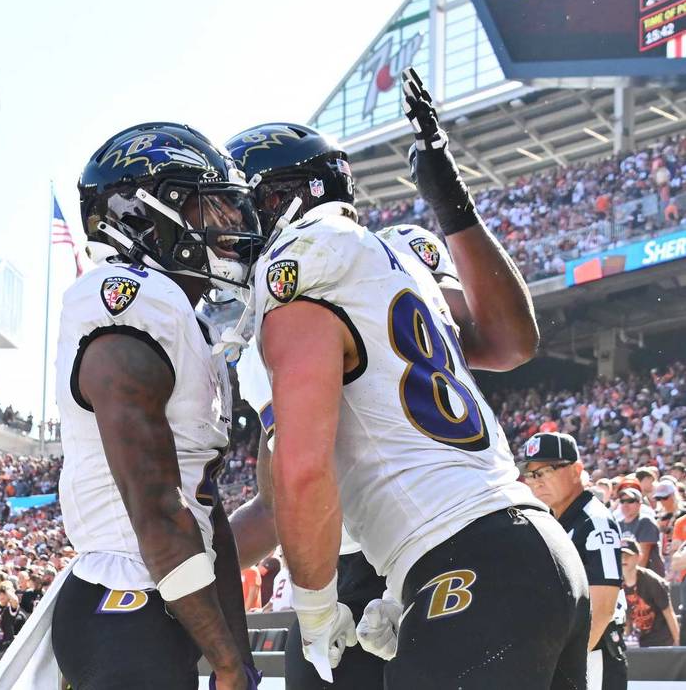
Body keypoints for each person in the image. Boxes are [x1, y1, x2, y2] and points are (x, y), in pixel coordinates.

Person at [232, 68, 588, 688]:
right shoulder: (394, 256)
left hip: (456, 555)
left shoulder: (302, 272)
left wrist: (312, 609)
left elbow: (300, 472)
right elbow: (508, 341)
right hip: (513, 541)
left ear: (277, 203)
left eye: (240, 206)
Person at [0, 123, 267, 690]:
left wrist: (235, 652)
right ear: (146, 215)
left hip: (169, 597)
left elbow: (206, 512)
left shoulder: (182, 321)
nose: (228, 227)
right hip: (127, 603)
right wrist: (229, 661)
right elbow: (158, 514)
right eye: (205, 207)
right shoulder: (126, 305)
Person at [518, 432, 625, 690]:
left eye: (545, 471)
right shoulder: (550, 521)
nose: (536, 482)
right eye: (531, 474)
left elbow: (603, 608)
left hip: (592, 657)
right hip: (563, 657)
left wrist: (564, 664)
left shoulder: (596, 522)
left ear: (576, 470)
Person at [621, 538, 680, 647]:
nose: (623, 559)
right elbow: (627, 615)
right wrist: (626, 635)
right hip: (641, 641)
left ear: (638, 557)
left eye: (628, 555)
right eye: (620, 555)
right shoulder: (618, 583)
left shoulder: (651, 580)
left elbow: (669, 613)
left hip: (662, 641)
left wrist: (677, 642)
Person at [617, 487, 665, 575]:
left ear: (639, 504)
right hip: (628, 577)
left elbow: (643, 557)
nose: (625, 505)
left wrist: (633, 580)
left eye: (630, 501)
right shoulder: (618, 524)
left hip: (648, 578)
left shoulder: (645, 522)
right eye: (622, 501)